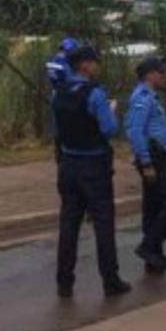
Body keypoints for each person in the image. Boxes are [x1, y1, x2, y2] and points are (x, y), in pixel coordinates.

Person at [52, 46, 130, 298]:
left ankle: (64, 282)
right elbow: (108, 130)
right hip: (94, 166)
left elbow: (57, 129)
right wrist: (111, 111)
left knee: (68, 225)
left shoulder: (58, 93)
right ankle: (110, 280)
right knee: (103, 224)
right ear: (84, 65)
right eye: (95, 62)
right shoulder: (94, 94)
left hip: (68, 165)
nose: (97, 66)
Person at [125, 56, 166, 273]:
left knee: (154, 207)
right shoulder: (142, 98)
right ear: (150, 74)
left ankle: (154, 255)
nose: (164, 76)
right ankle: (149, 246)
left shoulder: (151, 96)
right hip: (154, 159)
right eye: (160, 72)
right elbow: (135, 131)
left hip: (156, 156)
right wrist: (146, 162)